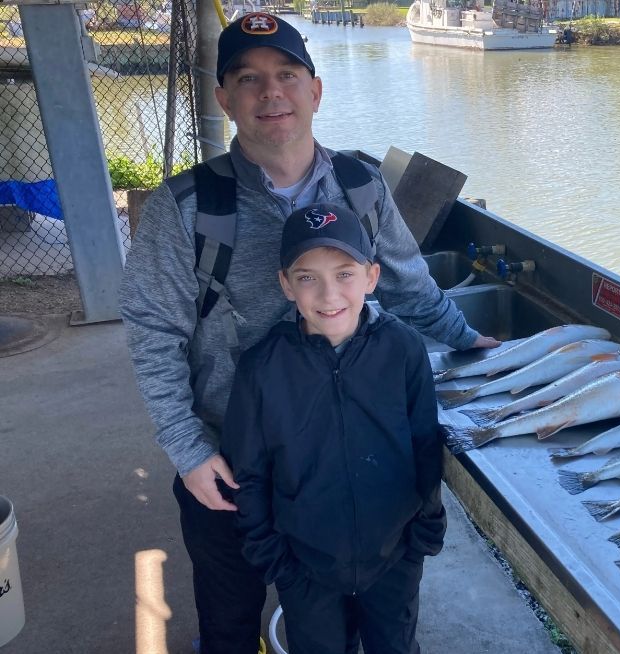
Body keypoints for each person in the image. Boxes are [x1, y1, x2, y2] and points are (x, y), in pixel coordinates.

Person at [119, 12, 497, 653]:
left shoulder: (362, 187)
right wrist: (188, 451)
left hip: (341, 461)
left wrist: (466, 337)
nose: (272, 93)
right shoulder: (184, 209)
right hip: (233, 461)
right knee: (230, 622)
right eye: (249, 78)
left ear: (315, 91)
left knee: (350, 621)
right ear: (224, 98)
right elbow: (153, 333)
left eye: (287, 75)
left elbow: (409, 286)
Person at [221, 202, 443, 654]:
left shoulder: (403, 348)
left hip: (394, 557)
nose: (328, 295)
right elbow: (250, 473)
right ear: (286, 284)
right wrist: (276, 562)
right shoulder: (259, 369)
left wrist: (422, 534)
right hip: (305, 567)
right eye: (307, 277)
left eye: (344, 273)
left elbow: (425, 443)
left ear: (372, 277)